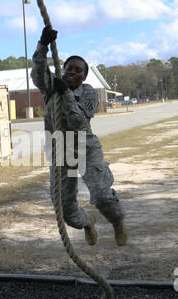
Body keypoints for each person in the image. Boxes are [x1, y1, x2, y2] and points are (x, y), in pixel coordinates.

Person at [31, 25, 128, 246]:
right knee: (65, 211)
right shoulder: (51, 88)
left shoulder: (88, 93)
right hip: (60, 153)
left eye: (78, 70)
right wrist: (42, 45)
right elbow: (38, 75)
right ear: (63, 70)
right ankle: (87, 222)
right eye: (69, 68)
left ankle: (118, 221)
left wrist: (65, 93)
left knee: (102, 196)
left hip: (86, 149)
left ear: (84, 76)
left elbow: (78, 121)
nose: (73, 72)